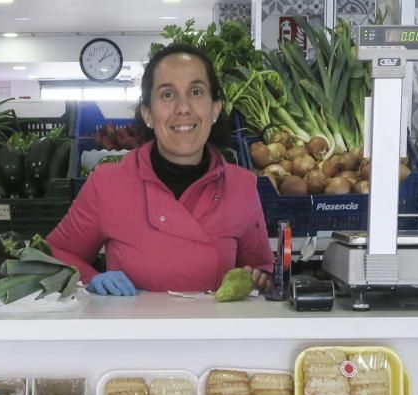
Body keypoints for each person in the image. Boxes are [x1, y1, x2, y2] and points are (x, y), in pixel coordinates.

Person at [47, 44, 273, 296]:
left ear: (215, 109)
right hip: (135, 333)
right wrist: (89, 278)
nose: (183, 107)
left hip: (215, 334)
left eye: (196, 92)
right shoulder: (107, 183)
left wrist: (261, 279)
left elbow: (260, 270)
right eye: (167, 95)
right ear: (148, 114)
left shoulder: (242, 186)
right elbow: (56, 253)